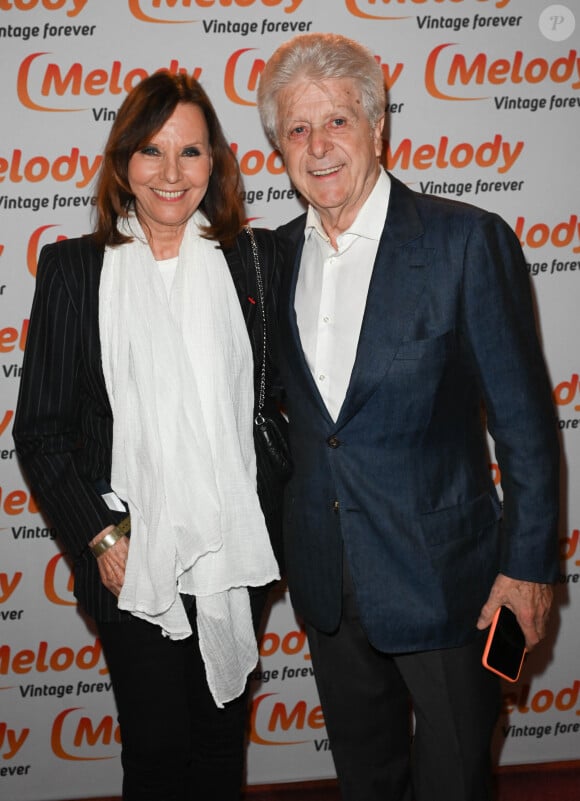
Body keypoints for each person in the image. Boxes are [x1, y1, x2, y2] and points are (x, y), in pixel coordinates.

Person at [257, 32, 560, 801]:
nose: (318, 146)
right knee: (367, 780)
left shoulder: (465, 241)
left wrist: (525, 568)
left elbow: (525, 426)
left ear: (378, 127)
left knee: (456, 780)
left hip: (448, 582)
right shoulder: (275, 257)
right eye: (297, 129)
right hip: (328, 580)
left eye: (337, 122)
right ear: (277, 148)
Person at [13, 71, 286, 801]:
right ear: (123, 161)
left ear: (215, 164)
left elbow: (282, 401)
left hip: (232, 552)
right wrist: (101, 540)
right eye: (153, 151)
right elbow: (40, 430)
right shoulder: (75, 268)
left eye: (191, 152)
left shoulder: (252, 262)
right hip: (131, 559)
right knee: (159, 757)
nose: (171, 173)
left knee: (221, 751)